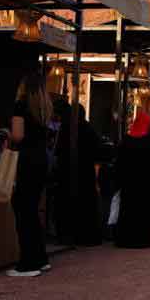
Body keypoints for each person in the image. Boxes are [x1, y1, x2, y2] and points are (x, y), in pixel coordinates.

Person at [7, 72, 52, 277]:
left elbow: (18, 135)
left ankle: (28, 264)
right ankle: (40, 258)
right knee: (32, 210)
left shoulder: (21, 106)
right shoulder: (44, 108)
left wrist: (7, 134)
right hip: (41, 160)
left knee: (23, 210)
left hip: (26, 161)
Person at [53, 103, 102, 246]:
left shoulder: (65, 129)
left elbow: (58, 151)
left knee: (66, 204)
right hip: (85, 173)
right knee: (85, 206)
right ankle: (85, 236)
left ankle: (67, 234)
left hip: (67, 173)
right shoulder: (88, 129)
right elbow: (97, 150)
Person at [114, 110, 150, 249]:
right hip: (145, 183)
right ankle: (140, 239)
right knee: (142, 212)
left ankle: (124, 239)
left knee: (127, 210)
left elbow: (119, 162)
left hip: (128, 183)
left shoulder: (126, 141)